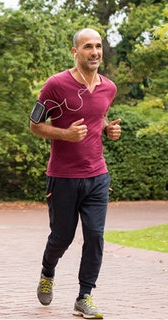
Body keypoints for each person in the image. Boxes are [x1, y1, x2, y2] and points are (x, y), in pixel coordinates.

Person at [29, 28, 121, 319]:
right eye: (88, 47)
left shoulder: (109, 87)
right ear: (75, 51)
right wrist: (65, 134)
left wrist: (108, 129)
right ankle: (47, 271)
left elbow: (99, 114)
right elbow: (34, 125)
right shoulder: (56, 84)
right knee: (62, 237)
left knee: (95, 236)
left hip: (97, 175)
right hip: (63, 176)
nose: (95, 52)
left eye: (98, 46)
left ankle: (84, 296)